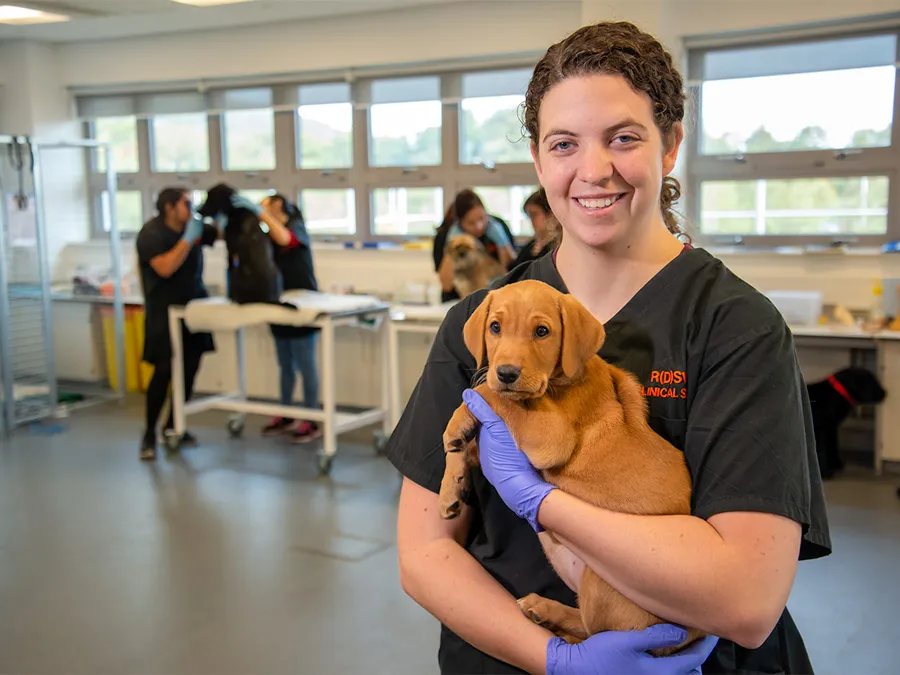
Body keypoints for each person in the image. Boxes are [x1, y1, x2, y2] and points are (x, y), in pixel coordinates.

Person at [385, 21, 831, 675]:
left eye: (624, 138)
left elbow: (746, 598)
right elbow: (424, 551)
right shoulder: (479, 321)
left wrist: (542, 499)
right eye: (564, 143)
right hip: (511, 649)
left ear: (671, 144)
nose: (594, 169)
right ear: (539, 161)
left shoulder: (737, 328)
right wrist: (555, 657)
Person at [136, 188, 219, 461]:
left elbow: (220, 234)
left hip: (193, 308)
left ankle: (175, 425)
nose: (190, 208)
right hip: (164, 310)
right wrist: (187, 240)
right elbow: (165, 267)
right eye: (186, 204)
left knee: (190, 368)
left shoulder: (193, 226)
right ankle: (149, 433)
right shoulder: (151, 234)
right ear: (169, 207)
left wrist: (221, 214)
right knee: (164, 372)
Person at [247, 193, 322, 443]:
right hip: (279, 302)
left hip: (302, 305)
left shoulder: (295, 227)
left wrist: (262, 215)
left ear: (278, 206)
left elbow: (286, 239)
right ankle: (287, 412)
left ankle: (310, 418)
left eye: (266, 206)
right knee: (285, 364)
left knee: (305, 363)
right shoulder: (267, 234)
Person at [433, 189, 517, 302]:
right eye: (471, 223)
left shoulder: (496, 226)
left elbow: (511, 268)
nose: (479, 226)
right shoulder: (445, 235)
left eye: (482, 218)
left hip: (495, 298)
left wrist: (502, 243)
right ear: (460, 222)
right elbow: (446, 285)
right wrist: (452, 248)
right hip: (459, 301)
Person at [512, 189, 555, 269]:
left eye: (534, 214)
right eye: (529, 215)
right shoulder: (529, 246)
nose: (531, 220)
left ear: (550, 214)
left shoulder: (556, 248)